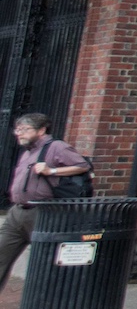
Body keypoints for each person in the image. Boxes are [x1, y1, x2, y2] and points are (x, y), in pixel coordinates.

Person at [0, 113, 91, 297]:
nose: (19, 133)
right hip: (17, 212)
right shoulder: (28, 151)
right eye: (17, 129)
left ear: (41, 130)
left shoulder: (56, 147)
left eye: (24, 129)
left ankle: (46, 306)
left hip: (42, 212)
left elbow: (83, 165)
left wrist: (52, 170)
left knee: (45, 262)